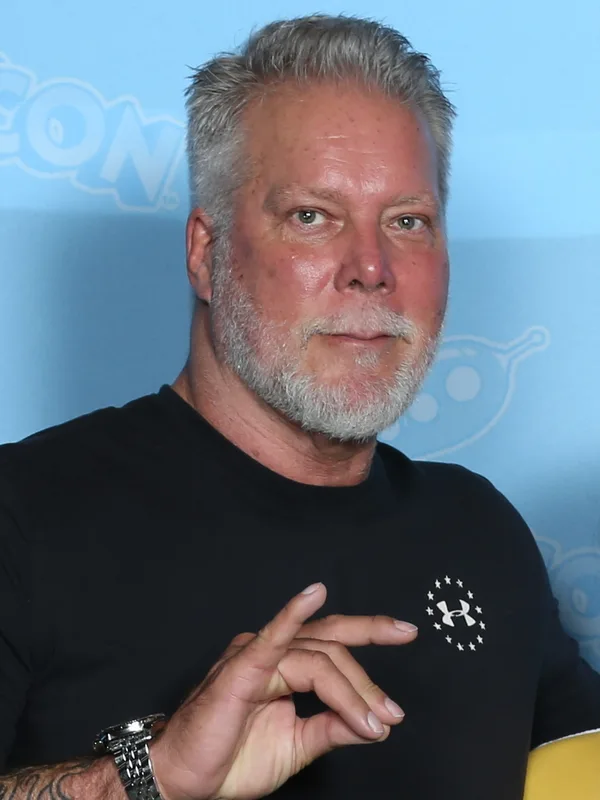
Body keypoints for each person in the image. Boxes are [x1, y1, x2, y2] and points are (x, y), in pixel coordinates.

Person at [0, 13, 598, 800]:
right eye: (312, 216)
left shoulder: (480, 530)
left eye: (407, 221)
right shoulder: (24, 515)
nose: (371, 268)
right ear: (206, 253)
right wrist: (147, 780)